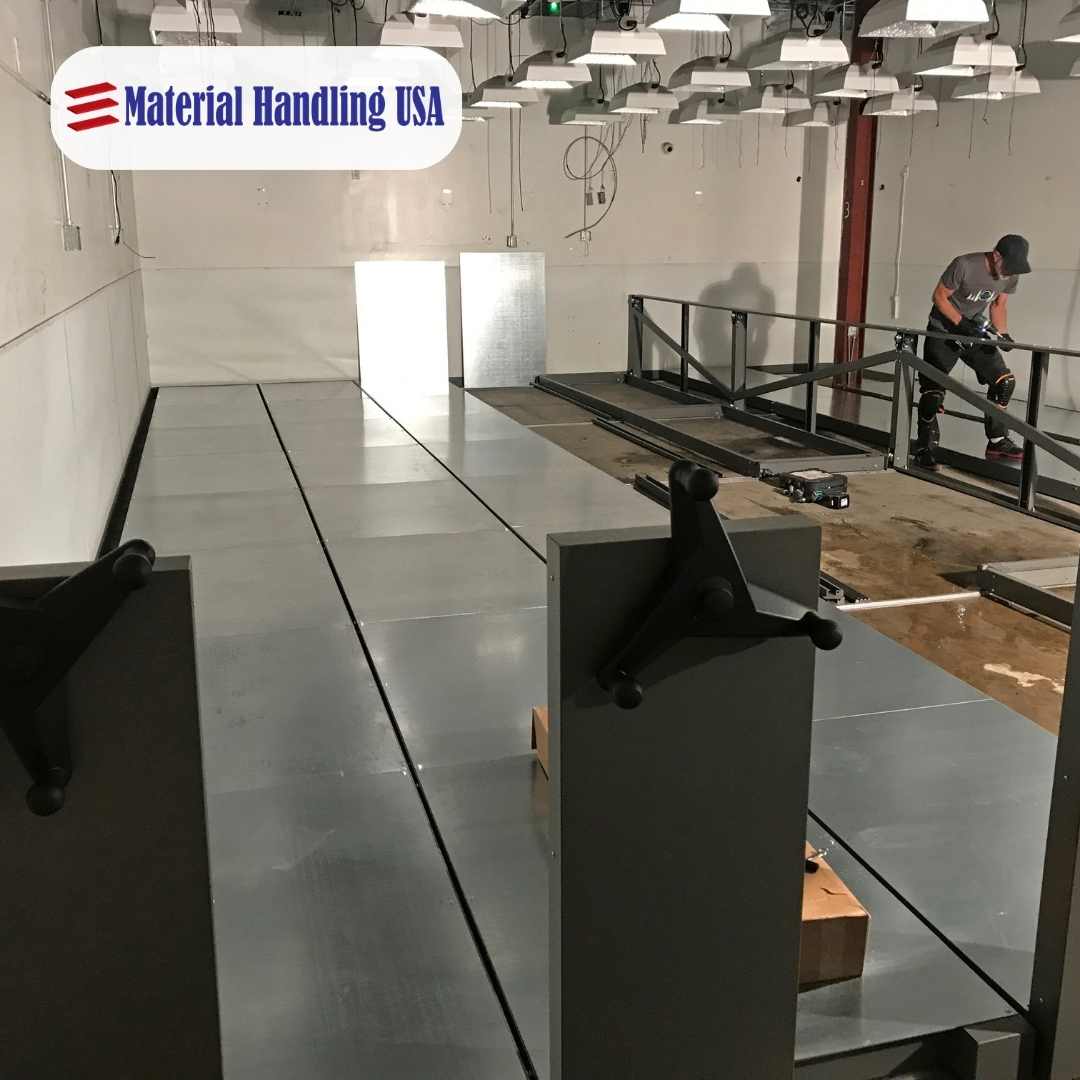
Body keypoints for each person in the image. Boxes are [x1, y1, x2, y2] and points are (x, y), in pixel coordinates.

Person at [913, 235, 1032, 470]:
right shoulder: (965, 265)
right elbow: (939, 297)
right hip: (943, 331)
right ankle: (924, 447)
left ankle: (997, 441)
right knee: (933, 394)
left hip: (973, 333)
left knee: (1004, 383)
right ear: (996, 256)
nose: (1008, 274)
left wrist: (1003, 333)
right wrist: (960, 323)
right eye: (1007, 267)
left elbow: (998, 305)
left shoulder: (1011, 274)